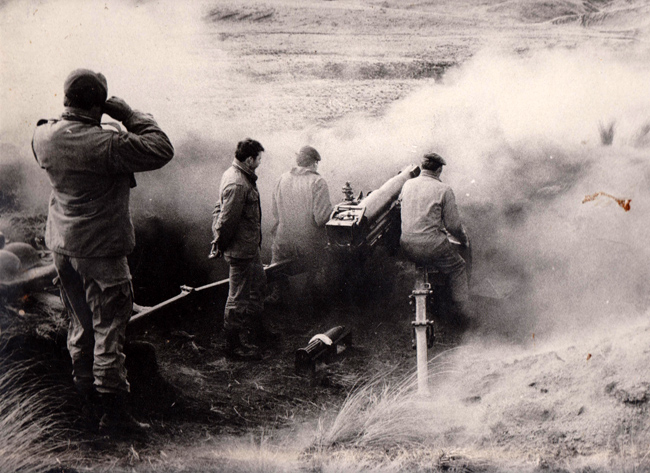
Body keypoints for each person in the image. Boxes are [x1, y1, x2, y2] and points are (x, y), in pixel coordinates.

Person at [32, 68, 174, 434]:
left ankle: (84, 403)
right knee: (109, 331)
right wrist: (127, 114)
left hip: (62, 249)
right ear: (99, 104)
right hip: (101, 254)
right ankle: (114, 414)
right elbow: (162, 148)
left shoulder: (43, 134)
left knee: (80, 327)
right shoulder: (106, 143)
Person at [211, 138, 276, 359]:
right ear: (249, 159)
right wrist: (220, 243)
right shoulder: (238, 183)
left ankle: (257, 332)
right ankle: (233, 345)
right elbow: (226, 219)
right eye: (259, 158)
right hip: (241, 251)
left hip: (249, 248)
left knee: (258, 286)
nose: (260, 162)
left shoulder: (239, 176)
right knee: (237, 297)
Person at [399, 152, 471, 318]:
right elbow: (453, 226)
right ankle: (461, 314)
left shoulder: (407, 185)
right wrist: (464, 240)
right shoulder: (444, 189)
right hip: (431, 247)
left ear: (422, 167)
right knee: (458, 267)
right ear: (439, 170)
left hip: (406, 244)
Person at [268, 146, 333, 307]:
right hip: (308, 243)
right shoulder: (318, 182)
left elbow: (275, 212)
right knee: (326, 257)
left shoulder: (282, 178)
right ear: (314, 164)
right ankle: (312, 300)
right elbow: (321, 218)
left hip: (282, 241)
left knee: (277, 269)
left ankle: (279, 297)